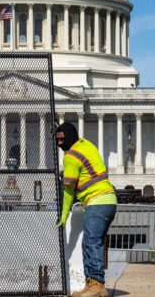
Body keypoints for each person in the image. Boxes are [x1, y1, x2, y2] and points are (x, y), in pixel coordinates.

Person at [55, 122, 117, 297]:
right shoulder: (87, 145)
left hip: (97, 201)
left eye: (61, 140)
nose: (59, 144)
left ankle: (96, 285)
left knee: (91, 242)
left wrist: (64, 215)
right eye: (57, 140)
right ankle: (92, 285)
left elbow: (68, 191)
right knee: (92, 241)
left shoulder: (71, 156)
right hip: (109, 200)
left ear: (69, 137)